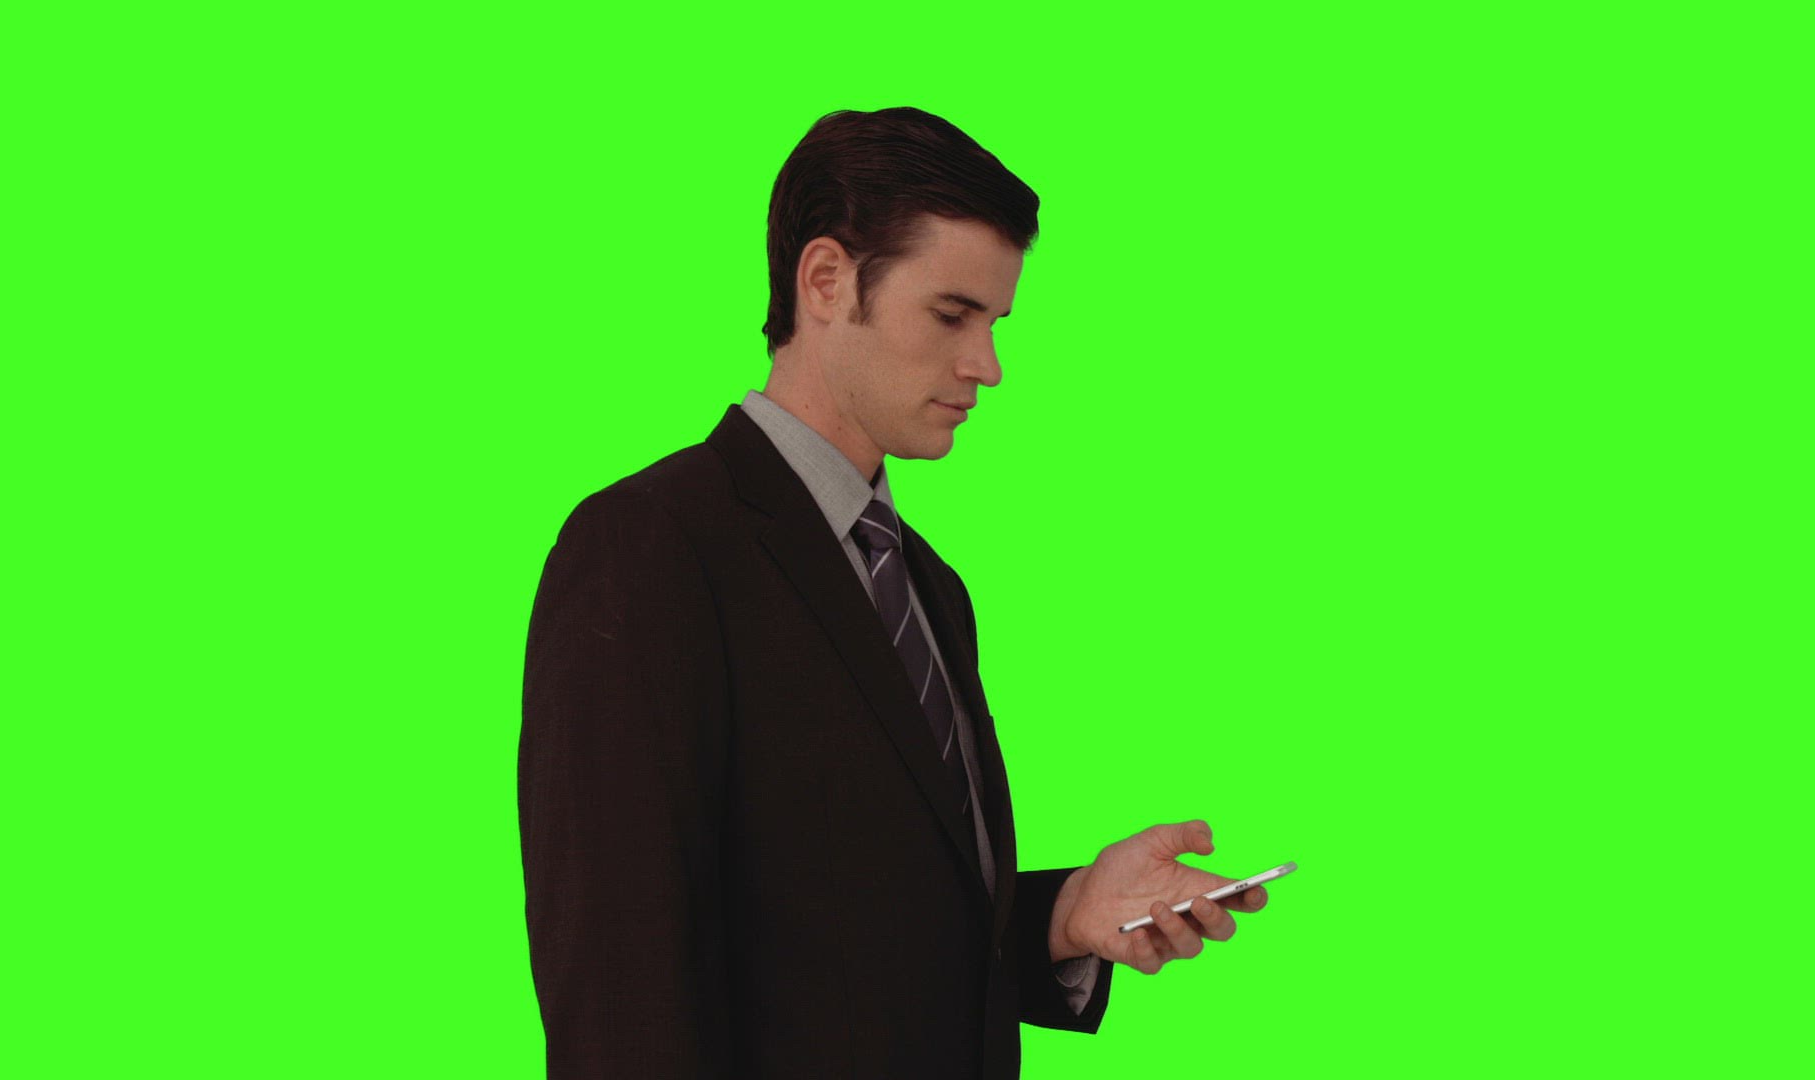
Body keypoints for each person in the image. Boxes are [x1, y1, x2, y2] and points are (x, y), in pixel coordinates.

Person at [518, 106, 1272, 1079]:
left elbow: (860, 934)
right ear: (826, 280)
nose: (986, 366)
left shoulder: (930, 586)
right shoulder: (649, 547)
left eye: (995, 323)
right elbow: (618, 983)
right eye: (952, 315)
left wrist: (1067, 912)